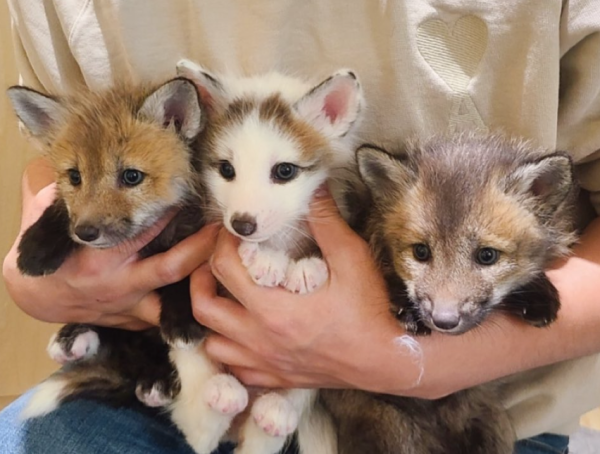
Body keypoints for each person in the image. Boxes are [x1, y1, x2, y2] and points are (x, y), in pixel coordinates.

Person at [2, 1, 600, 453]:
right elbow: (62, 154)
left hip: (485, 405)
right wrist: (38, 274)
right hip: (159, 384)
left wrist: (413, 362)